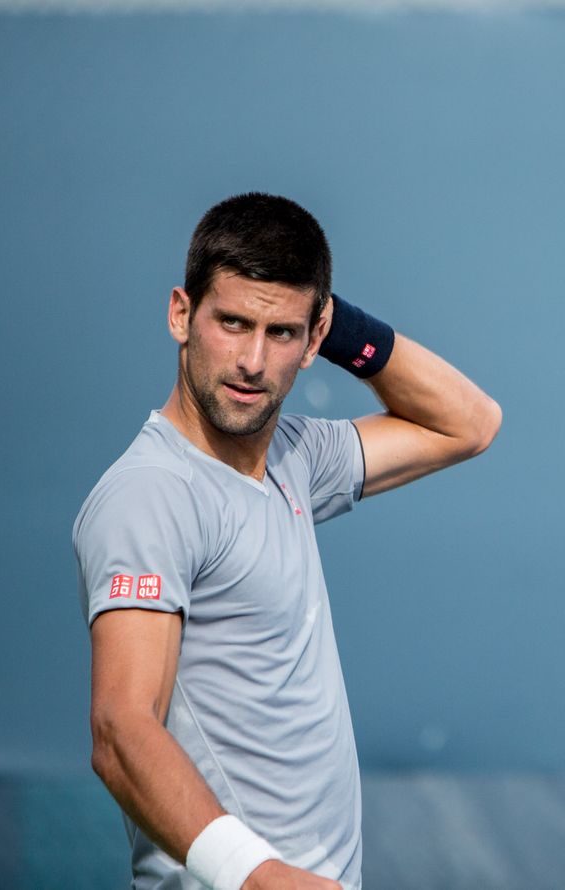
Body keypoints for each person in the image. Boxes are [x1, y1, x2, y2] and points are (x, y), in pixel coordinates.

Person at [72, 193, 501, 890]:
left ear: (314, 335)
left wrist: (331, 322)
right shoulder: (148, 496)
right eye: (232, 322)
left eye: (280, 333)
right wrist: (256, 875)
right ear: (181, 314)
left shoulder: (296, 458)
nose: (250, 360)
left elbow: (470, 423)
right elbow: (121, 730)